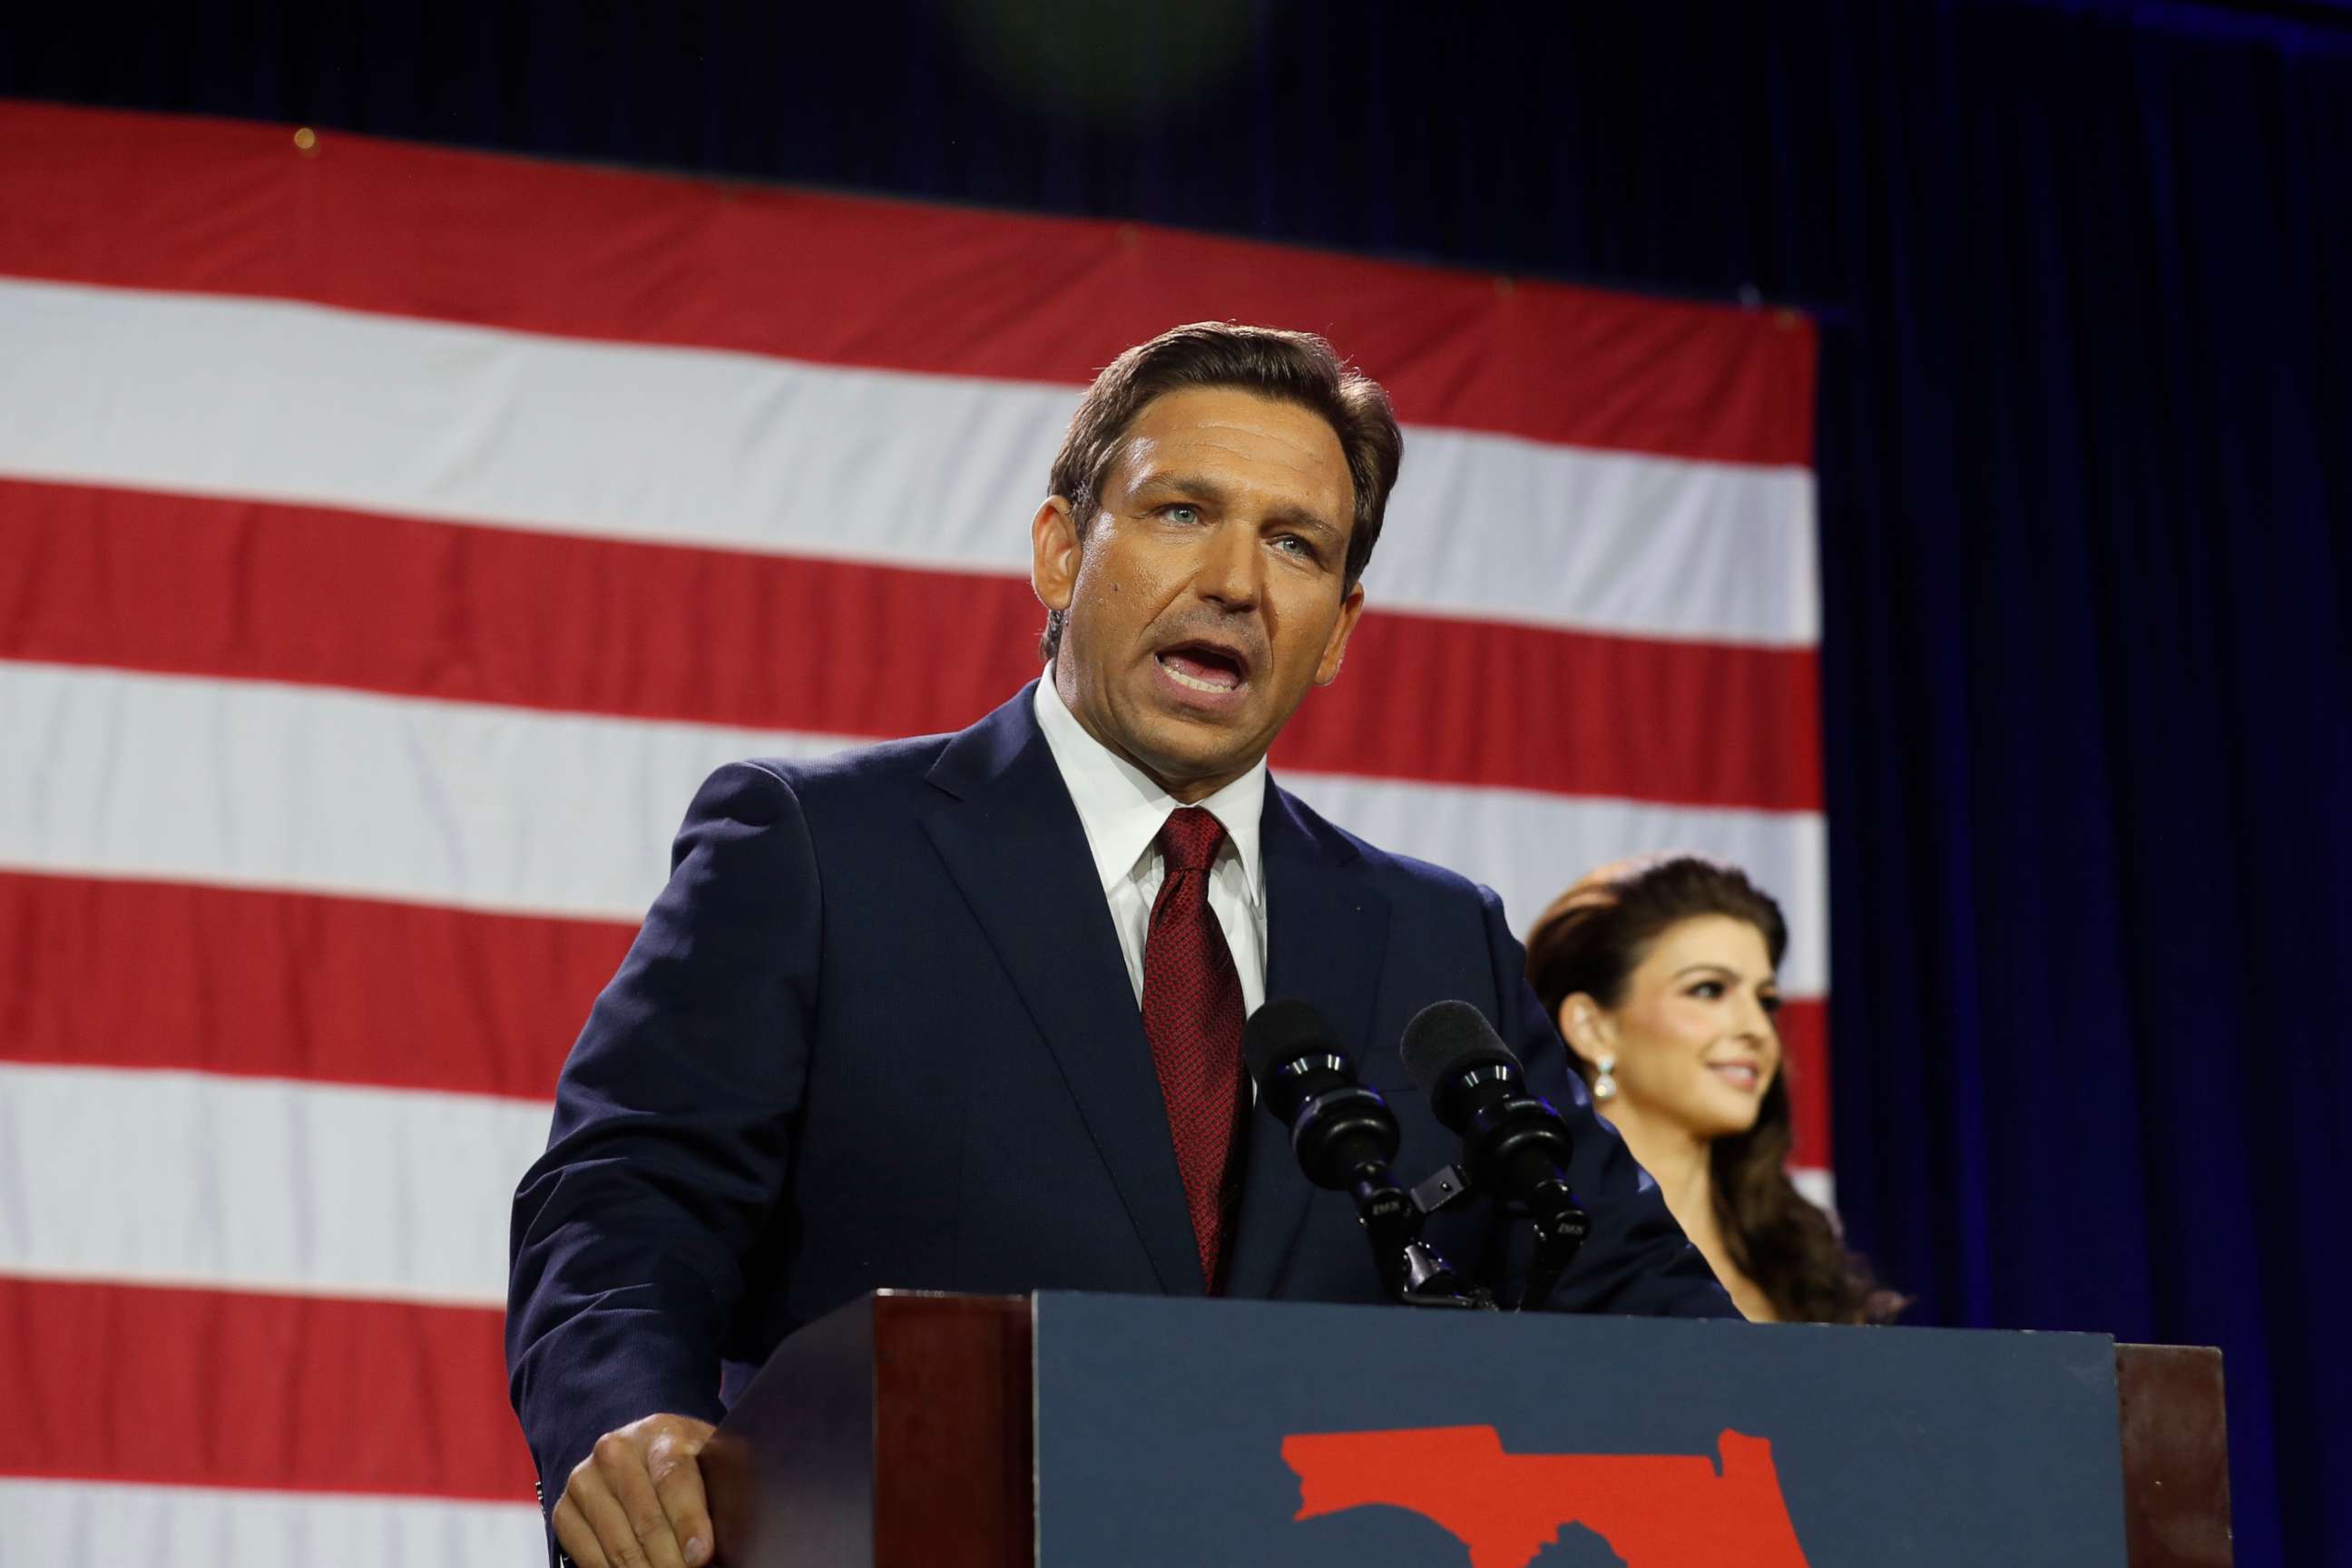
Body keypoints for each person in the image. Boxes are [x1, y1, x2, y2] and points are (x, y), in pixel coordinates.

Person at [506, 323, 1734, 1568]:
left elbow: (1634, 1297)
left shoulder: (1435, 940)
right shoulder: (821, 851)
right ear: (1059, 551)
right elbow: (627, 1208)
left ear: (1341, 628)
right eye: (1183, 512)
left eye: (1295, 544)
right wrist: (630, 1418)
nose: (1237, 583)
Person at [1524, 855, 1899, 1325]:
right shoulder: (1529, 1249)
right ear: (1592, 1027)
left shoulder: (1804, 1267)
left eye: (1766, 1001)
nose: (1757, 1029)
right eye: (1708, 990)